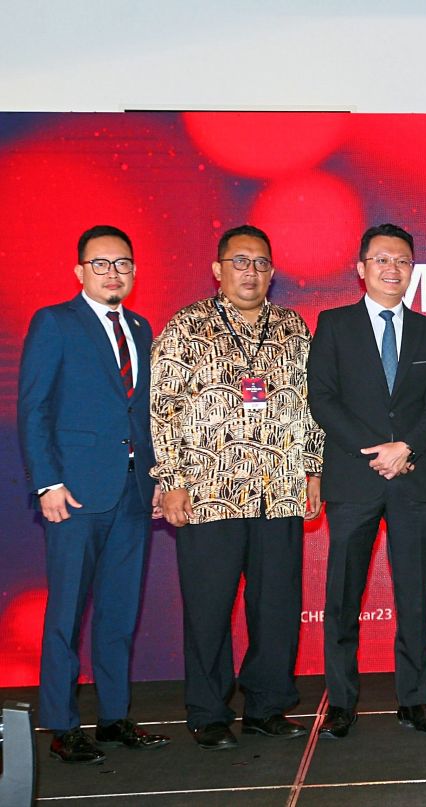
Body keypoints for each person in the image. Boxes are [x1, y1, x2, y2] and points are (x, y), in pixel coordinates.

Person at [150, 224, 324, 750]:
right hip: (208, 492)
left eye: (261, 263)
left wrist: (313, 470)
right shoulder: (187, 325)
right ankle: (208, 711)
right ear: (217, 269)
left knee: (276, 605)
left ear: (272, 272)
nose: (251, 272)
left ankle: (268, 706)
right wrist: (172, 481)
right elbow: (162, 408)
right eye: (240, 261)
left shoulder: (294, 328)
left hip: (280, 490)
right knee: (209, 606)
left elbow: (310, 407)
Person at [18, 225, 171, 764]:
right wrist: (47, 482)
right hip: (74, 495)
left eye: (123, 263)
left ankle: (114, 718)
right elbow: (34, 409)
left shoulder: (141, 327)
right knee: (65, 616)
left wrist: (157, 479)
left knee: (118, 613)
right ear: (79, 271)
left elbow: (145, 414)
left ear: (134, 269)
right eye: (101, 264)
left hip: (131, 493)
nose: (113, 273)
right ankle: (61, 725)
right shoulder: (54, 323)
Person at [307, 223, 426, 738]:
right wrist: (376, 451)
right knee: (343, 598)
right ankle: (342, 703)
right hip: (355, 477)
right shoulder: (334, 325)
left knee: (414, 596)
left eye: (403, 262)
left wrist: (405, 447)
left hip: (411, 480)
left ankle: (415, 700)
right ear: (361, 267)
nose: (393, 270)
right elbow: (322, 397)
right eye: (383, 260)